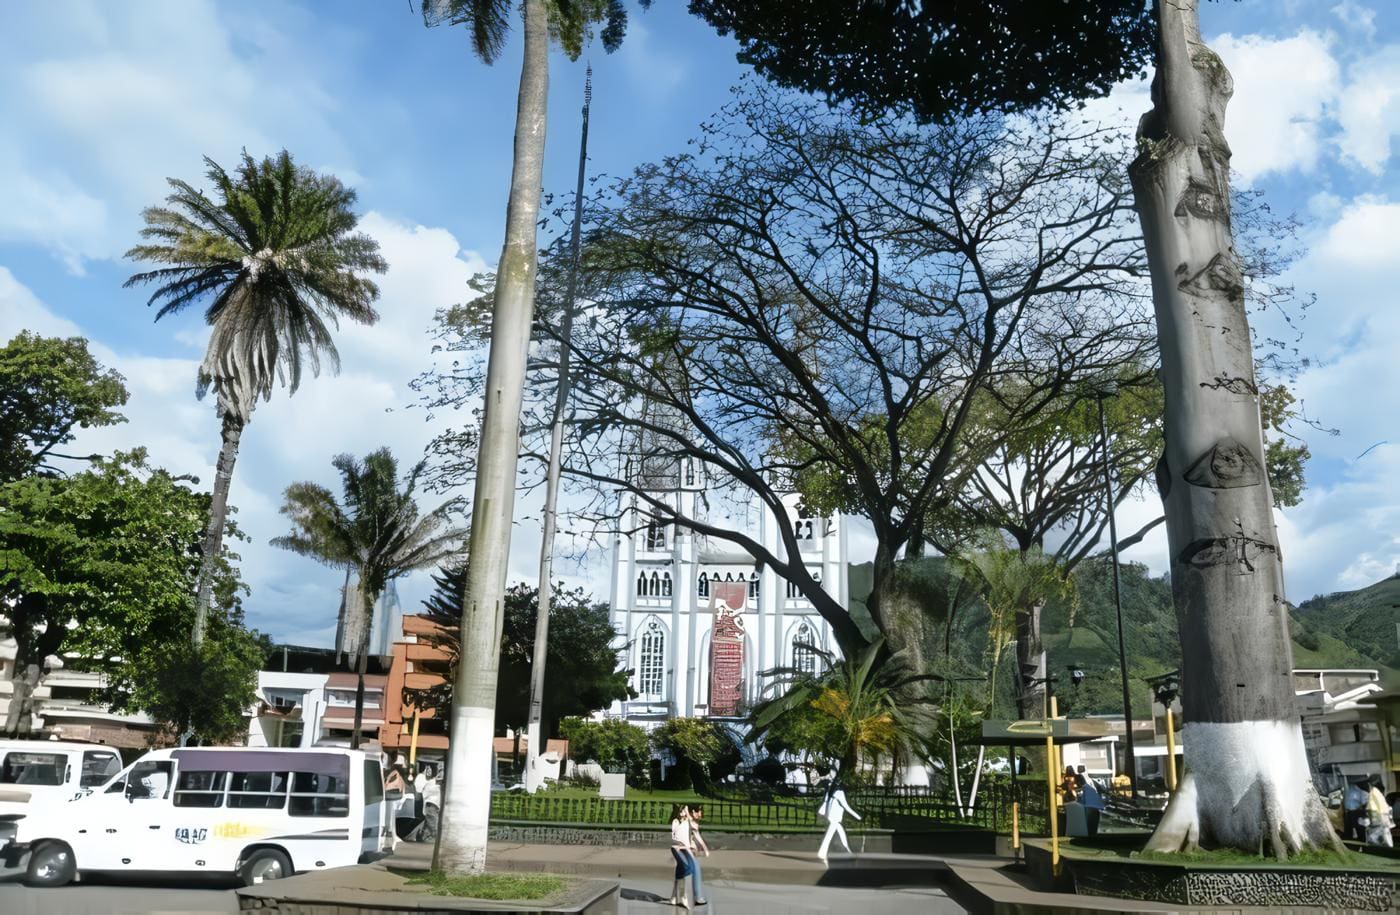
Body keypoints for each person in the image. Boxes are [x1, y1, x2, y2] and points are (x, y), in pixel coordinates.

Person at [816, 778, 861, 865]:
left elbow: (826, 803)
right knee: (831, 837)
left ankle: (849, 853)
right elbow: (847, 807)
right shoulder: (840, 793)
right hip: (835, 819)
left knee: (840, 836)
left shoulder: (830, 791)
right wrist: (858, 817)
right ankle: (822, 854)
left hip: (832, 818)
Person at [668, 805, 694, 909]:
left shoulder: (688, 821)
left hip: (686, 848)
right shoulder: (675, 821)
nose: (685, 812)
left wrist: (690, 844)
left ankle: (673, 897)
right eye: (683, 810)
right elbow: (673, 837)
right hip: (677, 848)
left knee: (681, 871)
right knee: (686, 868)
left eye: (686, 810)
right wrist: (681, 845)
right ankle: (683, 897)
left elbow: (691, 826)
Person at [687, 805, 710, 906]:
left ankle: (677, 897)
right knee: (696, 869)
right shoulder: (686, 820)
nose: (701, 814)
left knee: (681, 874)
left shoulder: (693, 822)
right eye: (699, 811)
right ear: (692, 811)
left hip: (687, 848)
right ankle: (697, 897)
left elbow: (696, 834)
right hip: (684, 849)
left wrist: (705, 848)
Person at [1364, 779, 1394, 848]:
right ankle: (1384, 843)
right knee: (1381, 829)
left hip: (1377, 813)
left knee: (1378, 829)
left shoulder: (1373, 791)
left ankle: (1375, 842)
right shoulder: (1377, 792)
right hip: (1380, 813)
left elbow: (1375, 804)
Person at [1077, 769, 1105, 836]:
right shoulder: (1090, 786)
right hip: (1097, 807)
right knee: (1094, 823)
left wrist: (1079, 803)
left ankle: (1090, 836)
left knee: (1089, 824)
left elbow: (1082, 801)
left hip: (1089, 807)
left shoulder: (1085, 788)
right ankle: (1093, 835)